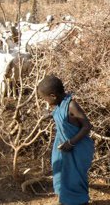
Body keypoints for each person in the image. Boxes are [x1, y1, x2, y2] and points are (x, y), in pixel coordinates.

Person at [38, 75, 94, 205]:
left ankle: (80, 202)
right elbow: (59, 113)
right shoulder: (59, 104)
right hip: (65, 148)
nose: (45, 102)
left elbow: (87, 126)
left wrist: (71, 142)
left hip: (77, 148)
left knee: (74, 179)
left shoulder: (71, 105)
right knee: (63, 174)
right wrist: (49, 114)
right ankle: (67, 200)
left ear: (53, 96)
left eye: (45, 99)